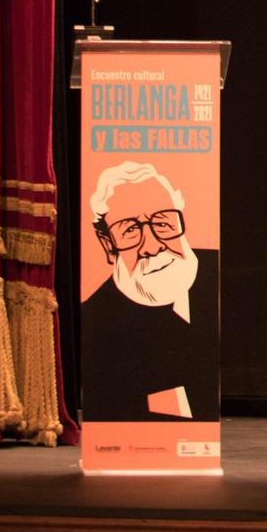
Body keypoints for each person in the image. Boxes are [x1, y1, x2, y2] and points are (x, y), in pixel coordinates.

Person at [81, 162, 218, 422]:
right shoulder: (101, 325)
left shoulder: (213, 274)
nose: (152, 245)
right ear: (108, 245)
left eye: (163, 223)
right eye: (130, 230)